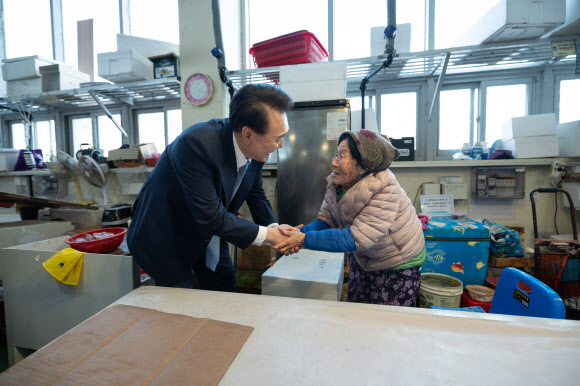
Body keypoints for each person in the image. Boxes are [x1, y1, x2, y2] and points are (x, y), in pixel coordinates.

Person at [128, 84, 294, 291]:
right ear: (248, 134)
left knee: (224, 292)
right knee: (181, 304)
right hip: (166, 237)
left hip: (210, 236)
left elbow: (255, 192)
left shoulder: (258, 149)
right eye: (277, 139)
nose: (280, 145)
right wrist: (269, 237)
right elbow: (210, 216)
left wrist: (273, 228)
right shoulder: (196, 145)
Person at [274, 129, 426, 306]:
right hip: (364, 257)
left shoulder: (385, 190)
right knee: (356, 310)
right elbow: (327, 220)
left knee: (385, 322)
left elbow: (354, 239)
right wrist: (301, 231)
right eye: (335, 154)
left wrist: (302, 240)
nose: (334, 163)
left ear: (363, 165)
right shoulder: (337, 184)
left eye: (342, 156)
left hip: (397, 261)